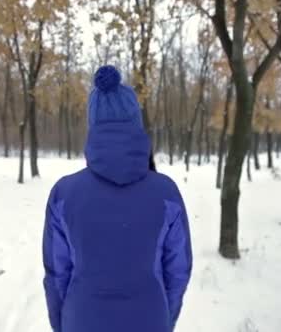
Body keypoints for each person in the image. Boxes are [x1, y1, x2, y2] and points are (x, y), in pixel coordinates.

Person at [42, 65, 192, 332]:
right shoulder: (166, 193)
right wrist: (163, 321)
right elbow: (178, 272)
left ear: (93, 126)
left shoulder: (64, 194)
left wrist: (62, 325)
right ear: (136, 122)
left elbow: (57, 276)